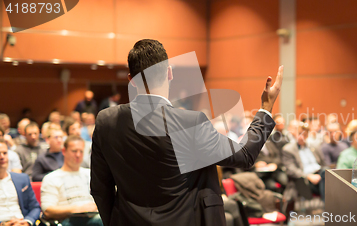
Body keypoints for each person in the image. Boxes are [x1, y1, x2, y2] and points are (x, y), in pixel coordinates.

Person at [90, 39, 282, 226]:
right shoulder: (190, 123)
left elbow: (100, 188)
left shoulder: (106, 120)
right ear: (169, 73)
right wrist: (265, 108)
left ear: (131, 80)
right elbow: (245, 155)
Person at [41, 136, 103, 226]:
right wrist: (78, 209)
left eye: (81, 151)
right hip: (67, 220)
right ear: (64, 151)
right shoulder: (51, 178)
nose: (78, 155)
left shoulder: (90, 174)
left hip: (94, 216)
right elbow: (47, 210)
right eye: (74, 151)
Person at [0, 138, 41, 226]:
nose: (2, 157)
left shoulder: (22, 179)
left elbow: (35, 207)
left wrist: (27, 221)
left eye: (4, 153)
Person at [282, 122, 325, 200]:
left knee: (327, 173)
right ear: (295, 134)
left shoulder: (314, 147)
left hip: (320, 174)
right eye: (299, 134)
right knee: (326, 181)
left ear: (307, 135)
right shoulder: (288, 149)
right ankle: (327, 206)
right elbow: (291, 170)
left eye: (304, 135)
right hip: (305, 179)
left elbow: (323, 162)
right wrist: (308, 176)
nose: (301, 137)